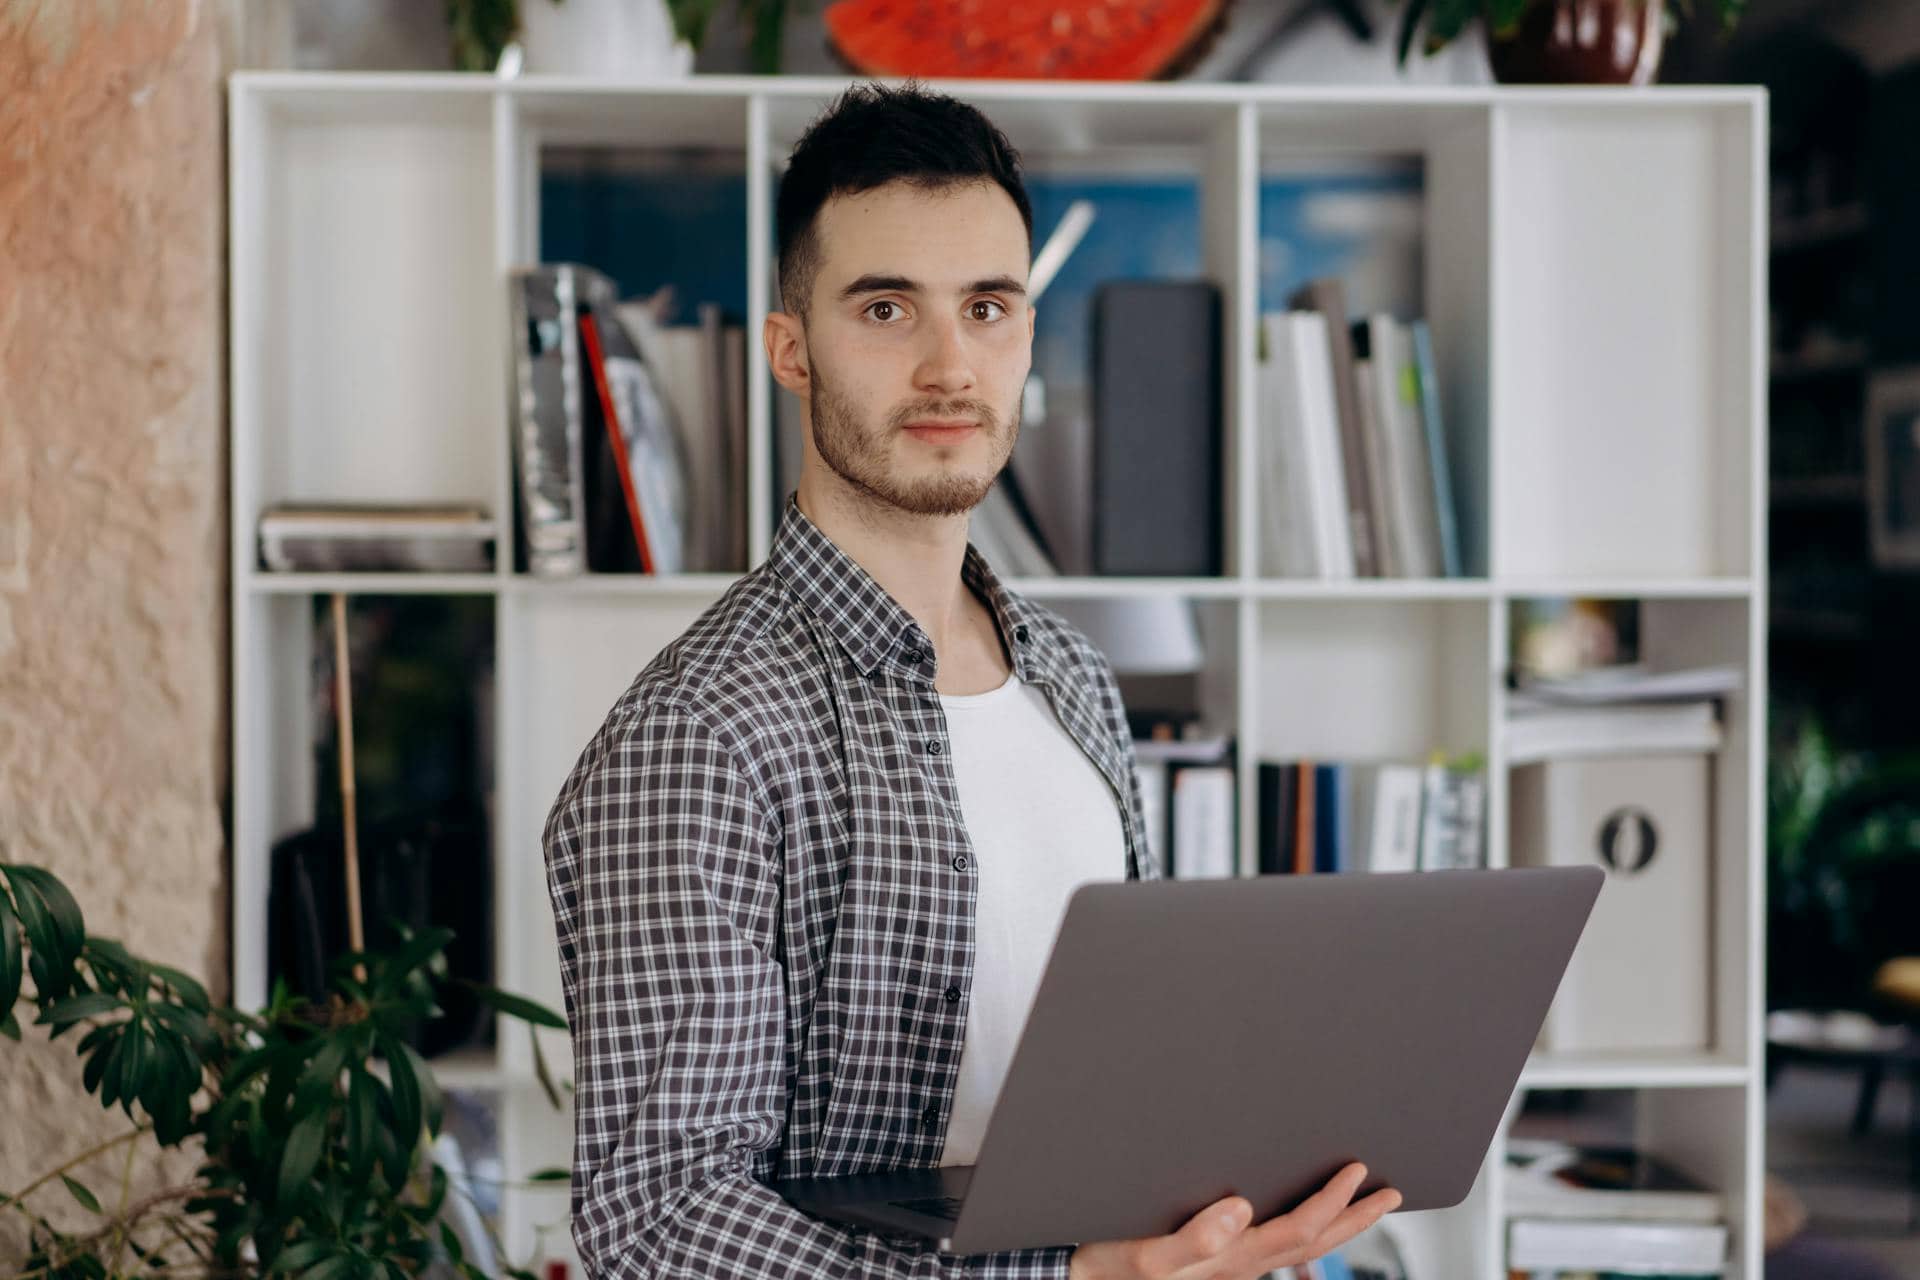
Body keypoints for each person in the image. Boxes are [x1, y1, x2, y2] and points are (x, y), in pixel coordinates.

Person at [541, 79, 1402, 1280]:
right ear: (792, 348)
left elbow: (1114, 1104)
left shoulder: (1079, 681)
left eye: (989, 306)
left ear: (1029, 332)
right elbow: (664, 1224)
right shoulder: (701, 735)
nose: (951, 365)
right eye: (888, 308)